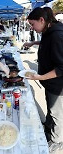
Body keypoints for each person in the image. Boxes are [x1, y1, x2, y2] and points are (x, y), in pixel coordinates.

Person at [25, 7, 63, 153]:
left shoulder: (57, 35)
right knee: (50, 109)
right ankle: (48, 128)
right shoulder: (48, 30)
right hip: (49, 83)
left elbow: (61, 68)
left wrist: (39, 77)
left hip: (58, 86)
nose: (32, 28)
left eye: (32, 24)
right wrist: (34, 43)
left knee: (57, 115)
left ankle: (57, 141)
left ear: (42, 20)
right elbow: (47, 43)